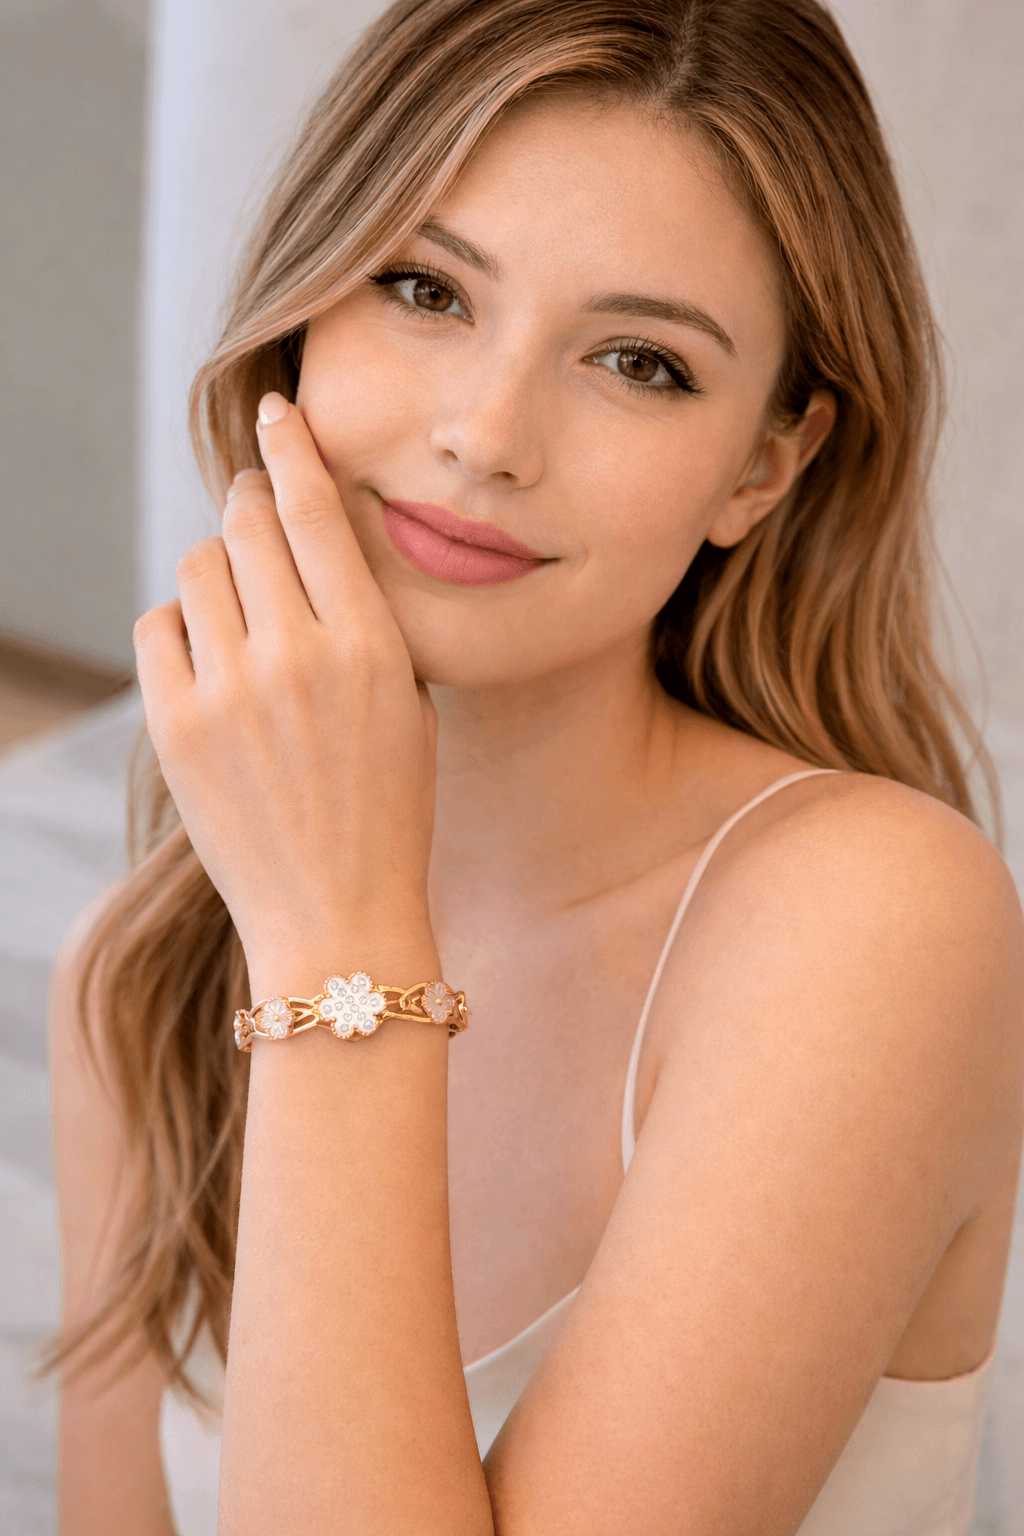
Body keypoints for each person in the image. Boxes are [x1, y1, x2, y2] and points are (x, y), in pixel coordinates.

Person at [47, 0, 1024, 1531]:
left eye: (638, 361)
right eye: (426, 288)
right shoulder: (143, 975)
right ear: (302, 317)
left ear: (763, 468)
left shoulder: (877, 922)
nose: (487, 435)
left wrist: (336, 947)